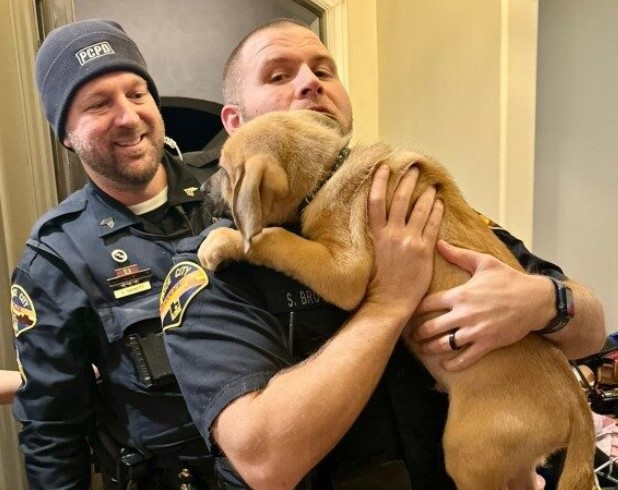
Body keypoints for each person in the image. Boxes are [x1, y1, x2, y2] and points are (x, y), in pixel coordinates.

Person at [162, 19, 607, 489]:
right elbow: (265, 462)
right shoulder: (212, 267)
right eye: (278, 75)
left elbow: (593, 331)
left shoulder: (409, 200)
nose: (310, 82)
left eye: (324, 70)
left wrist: (543, 301)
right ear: (234, 123)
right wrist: (390, 301)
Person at [11, 19, 217, 489]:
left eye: (137, 93)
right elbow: (52, 431)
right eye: (99, 104)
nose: (128, 116)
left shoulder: (232, 193)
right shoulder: (56, 257)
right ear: (66, 132)